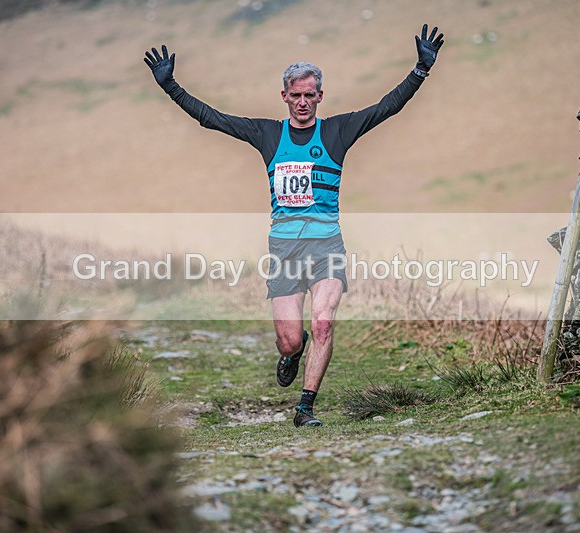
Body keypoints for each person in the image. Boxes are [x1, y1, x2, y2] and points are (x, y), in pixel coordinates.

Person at [144, 24, 444, 427]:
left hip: (327, 248)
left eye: (309, 95)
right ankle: (292, 350)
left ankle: (305, 408)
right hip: (284, 251)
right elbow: (213, 119)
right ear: (284, 96)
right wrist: (172, 88)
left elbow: (386, 107)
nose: (303, 102)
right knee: (290, 337)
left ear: (320, 96)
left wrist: (420, 71)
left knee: (323, 322)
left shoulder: (337, 130)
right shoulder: (267, 133)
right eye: (296, 95)